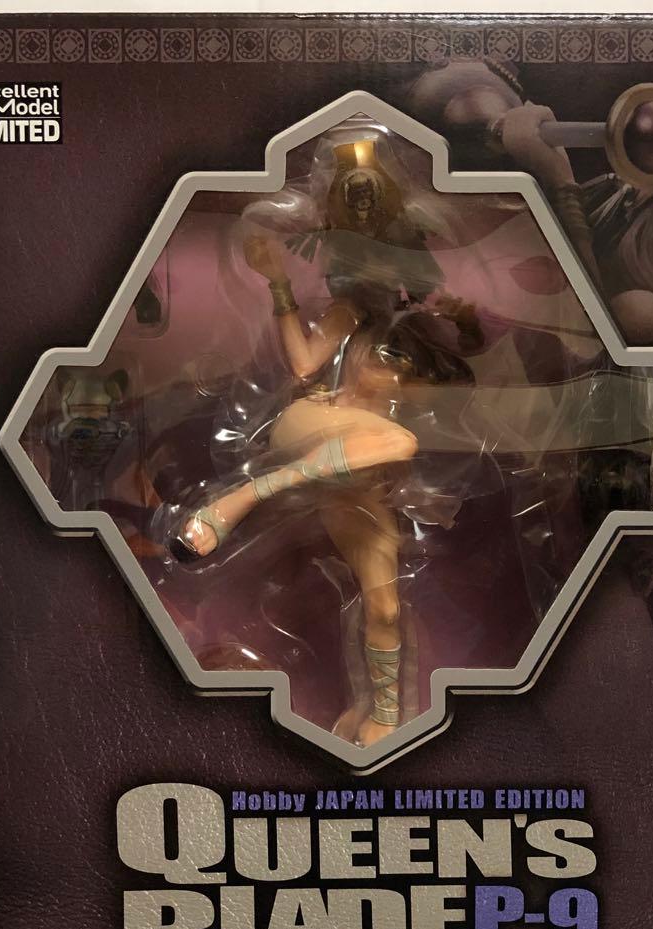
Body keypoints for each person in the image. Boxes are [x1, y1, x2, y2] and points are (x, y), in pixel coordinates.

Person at [172, 138, 479, 747]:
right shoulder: (348, 315)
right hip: (313, 424)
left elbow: (458, 389)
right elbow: (303, 366)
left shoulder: (418, 336)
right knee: (398, 441)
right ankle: (245, 495)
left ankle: (383, 715)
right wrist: (278, 282)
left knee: (384, 606)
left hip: (359, 477)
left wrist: (460, 320)